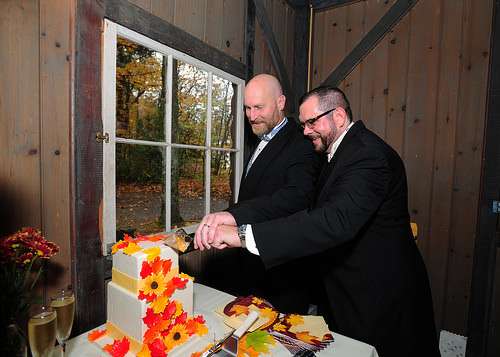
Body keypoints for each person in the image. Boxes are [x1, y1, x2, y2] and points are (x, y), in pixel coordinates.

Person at [195, 86, 440, 357]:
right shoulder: (337, 152)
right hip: (346, 291)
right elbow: (305, 208)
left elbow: (332, 221)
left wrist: (241, 235)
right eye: (303, 124)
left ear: (338, 116)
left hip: (380, 293)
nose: (305, 131)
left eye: (312, 122)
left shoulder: (368, 155)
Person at [196, 74, 322, 313]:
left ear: (281, 102)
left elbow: (297, 197)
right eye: (247, 108)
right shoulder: (263, 136)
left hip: (283, 275)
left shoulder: (301, 142)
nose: (252, 116)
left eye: (259, 107)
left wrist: (234, 217)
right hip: (252, 269)